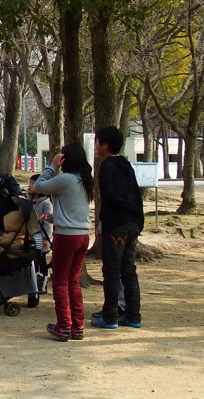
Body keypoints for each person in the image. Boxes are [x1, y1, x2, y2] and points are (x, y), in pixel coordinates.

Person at [31, 143, 93, 342]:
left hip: (66, 237)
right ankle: (77, 325)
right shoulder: (84, 180)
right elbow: (71, 208)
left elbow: (38, 186)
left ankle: (64, 326)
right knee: (73, 282)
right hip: (83, 235)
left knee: (60, 281)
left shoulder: (65, 179)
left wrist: (52, 165)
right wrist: (55, 217)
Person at [91, 126, 144, 330]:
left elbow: (108, 197)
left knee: (112, 271)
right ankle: (133, 315)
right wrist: (138, 218)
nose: (95, 145)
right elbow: (136, 195)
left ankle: (110, 316)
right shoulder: (126, 165)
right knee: (128, 270)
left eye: (97, 142)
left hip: (117, 226)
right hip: (132, 224)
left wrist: (104, 222)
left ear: (105, 145)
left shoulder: (107, 166)